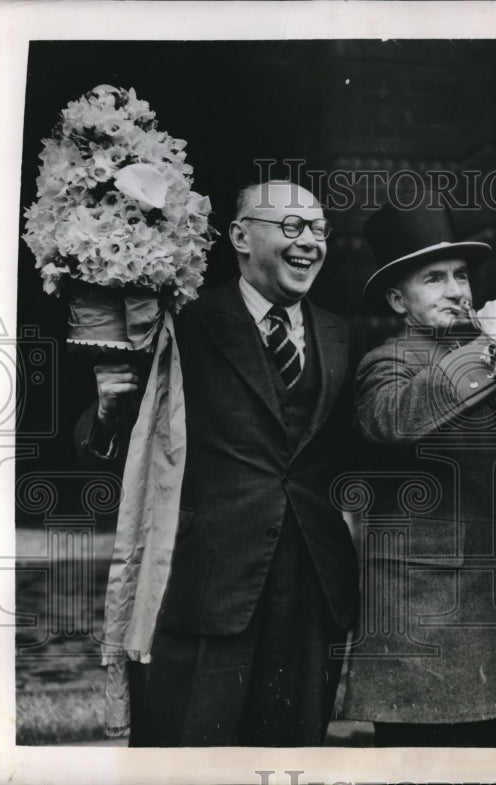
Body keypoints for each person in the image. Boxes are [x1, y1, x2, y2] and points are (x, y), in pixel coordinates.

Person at [76, 181, 359, 746]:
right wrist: (108, 411)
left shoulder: (337, 331)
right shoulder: (186, 320)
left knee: (291, 759)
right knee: (190, 756)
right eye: (291, 227)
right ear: (239, 236)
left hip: (311, 590)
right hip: (206, 589)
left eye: (319, 230)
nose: (310, 243)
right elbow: (132, 444)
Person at [340, 200, 496, 747]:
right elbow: (392, 419)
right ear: (396, 299)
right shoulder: (387, 359)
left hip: (488, 621)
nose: (457, 290)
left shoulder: (490, 352)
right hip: (422, 628)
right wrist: (488, 344)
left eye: (461, 275)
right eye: (434, 279)